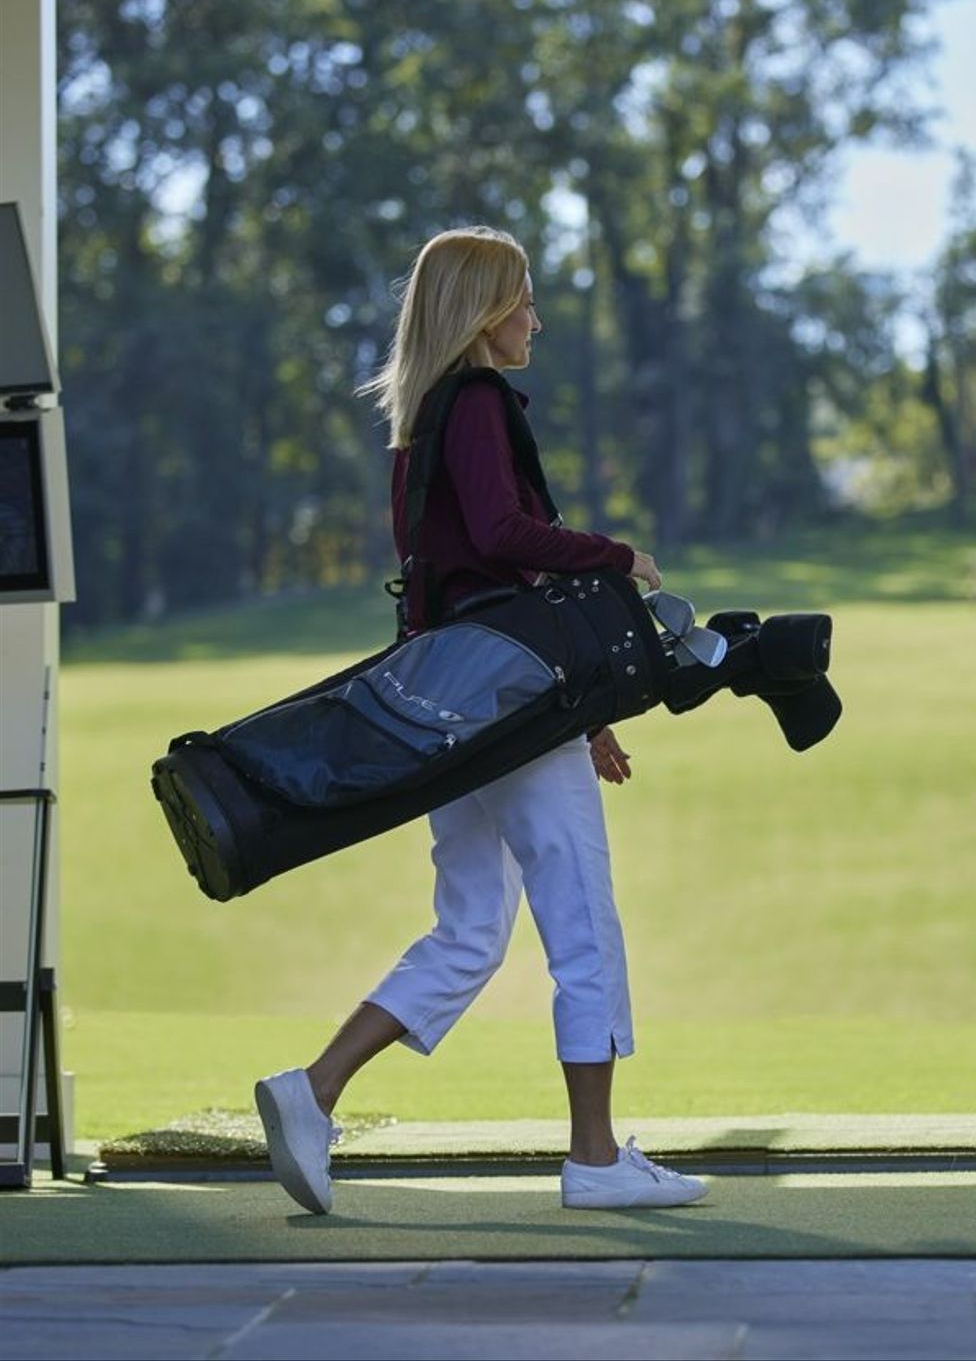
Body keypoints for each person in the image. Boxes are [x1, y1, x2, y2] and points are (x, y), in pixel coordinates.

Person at [254, 226, 708, 1216]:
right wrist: (616, 553)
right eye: (523, 301)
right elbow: (510, 540)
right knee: (581, 921)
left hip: (459, 707)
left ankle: (313, 1089)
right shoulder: (480, 402)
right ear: (482, 311)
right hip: (508, 706)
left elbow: (460, 587)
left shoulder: (419, 423)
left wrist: (578, 717)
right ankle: (594, 1158)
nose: (534, 319)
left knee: (467, 930)